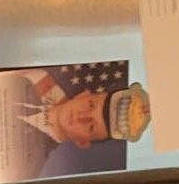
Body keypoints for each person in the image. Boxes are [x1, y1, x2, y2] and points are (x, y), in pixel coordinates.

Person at [18, 65, 151, 177]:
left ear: (82, 142)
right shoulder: (38, 77)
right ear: (83, 94)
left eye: (91, 127)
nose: (82, 117)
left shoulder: (32, 165)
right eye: (91, 105)